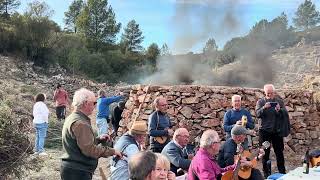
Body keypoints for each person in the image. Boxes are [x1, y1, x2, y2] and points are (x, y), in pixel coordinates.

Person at [60, 88, 122, 180]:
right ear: (86, 103)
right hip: (78, 172)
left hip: (73, 169)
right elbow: (89, 150)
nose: (95, 106)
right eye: (94, 103)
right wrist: (112, 151)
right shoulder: (81, 123)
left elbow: (81, 143)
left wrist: (98, 139)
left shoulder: (73, 117)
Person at [256, 84, 290, 178]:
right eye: (268, 93)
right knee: (265, 153)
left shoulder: (279, 101)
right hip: (264, 132)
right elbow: (257, 114)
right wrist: (263, 108)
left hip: (277, 131)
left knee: (279, 152)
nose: (270, 95)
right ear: (265, 93)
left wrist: (280, 110)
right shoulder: (261, 101)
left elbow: (284, 113)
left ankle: (282, 172)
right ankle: (267, 173)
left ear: (274, 92)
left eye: (271, 93)